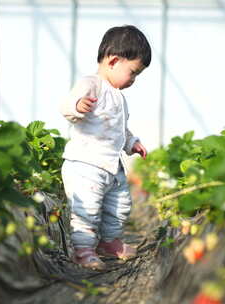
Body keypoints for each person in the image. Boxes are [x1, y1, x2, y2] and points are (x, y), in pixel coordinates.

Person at [59, 25, 150, 270]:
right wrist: (78, 105)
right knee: (86, 211)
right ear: (113, 61)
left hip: (111, 165)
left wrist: (132, 142)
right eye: (132, 72)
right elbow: (67, 105)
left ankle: (109, 243)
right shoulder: (91, 84)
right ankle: (84, 250)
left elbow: (121, 128)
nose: (133, 80)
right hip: (85, 164)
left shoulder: (118, 96)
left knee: (121, 206)